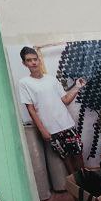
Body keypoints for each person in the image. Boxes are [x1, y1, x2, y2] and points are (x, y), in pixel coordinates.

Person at [17, 47, 86, 177]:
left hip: (67, 124)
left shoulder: (52, 79)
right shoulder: (24, 83)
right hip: (52, 130)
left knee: (78, 156)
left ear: (39, 60)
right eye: (29, 60)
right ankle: (76, 186)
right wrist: (42, 130)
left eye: (35, 59)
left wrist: (77, 87)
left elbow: (66, 100)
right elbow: (31, 109)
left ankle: (86, 182)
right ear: (24, 63)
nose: (33, 62)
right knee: (66, 159)